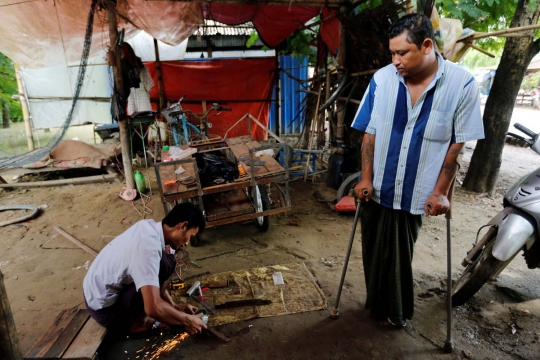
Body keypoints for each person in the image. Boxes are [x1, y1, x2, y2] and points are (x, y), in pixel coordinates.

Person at [351, 13, 484, 327]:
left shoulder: (462, 84)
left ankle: (396, 311)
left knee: (398, 255)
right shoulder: (382, 80)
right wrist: (365, 177)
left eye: (402, 53)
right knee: (372, 250)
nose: (395, 60)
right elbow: (369, 131)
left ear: (427, 45)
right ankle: (377, 306)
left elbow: (456, 145)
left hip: (416, 189)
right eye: (392, 53)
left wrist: (440, 192)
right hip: (378, 185)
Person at [83, 202, 207, 337]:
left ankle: (156, 312)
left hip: (95, 296)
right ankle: (138, 324)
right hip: (106, 312)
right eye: (191, 236)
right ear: (182, 226)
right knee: (165, 264)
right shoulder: (147, 249)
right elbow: (152, 308)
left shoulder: (147, 226)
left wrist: (175, 308)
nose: (187, 243)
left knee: (164, 261)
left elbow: (153, 275)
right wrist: (186, 321)